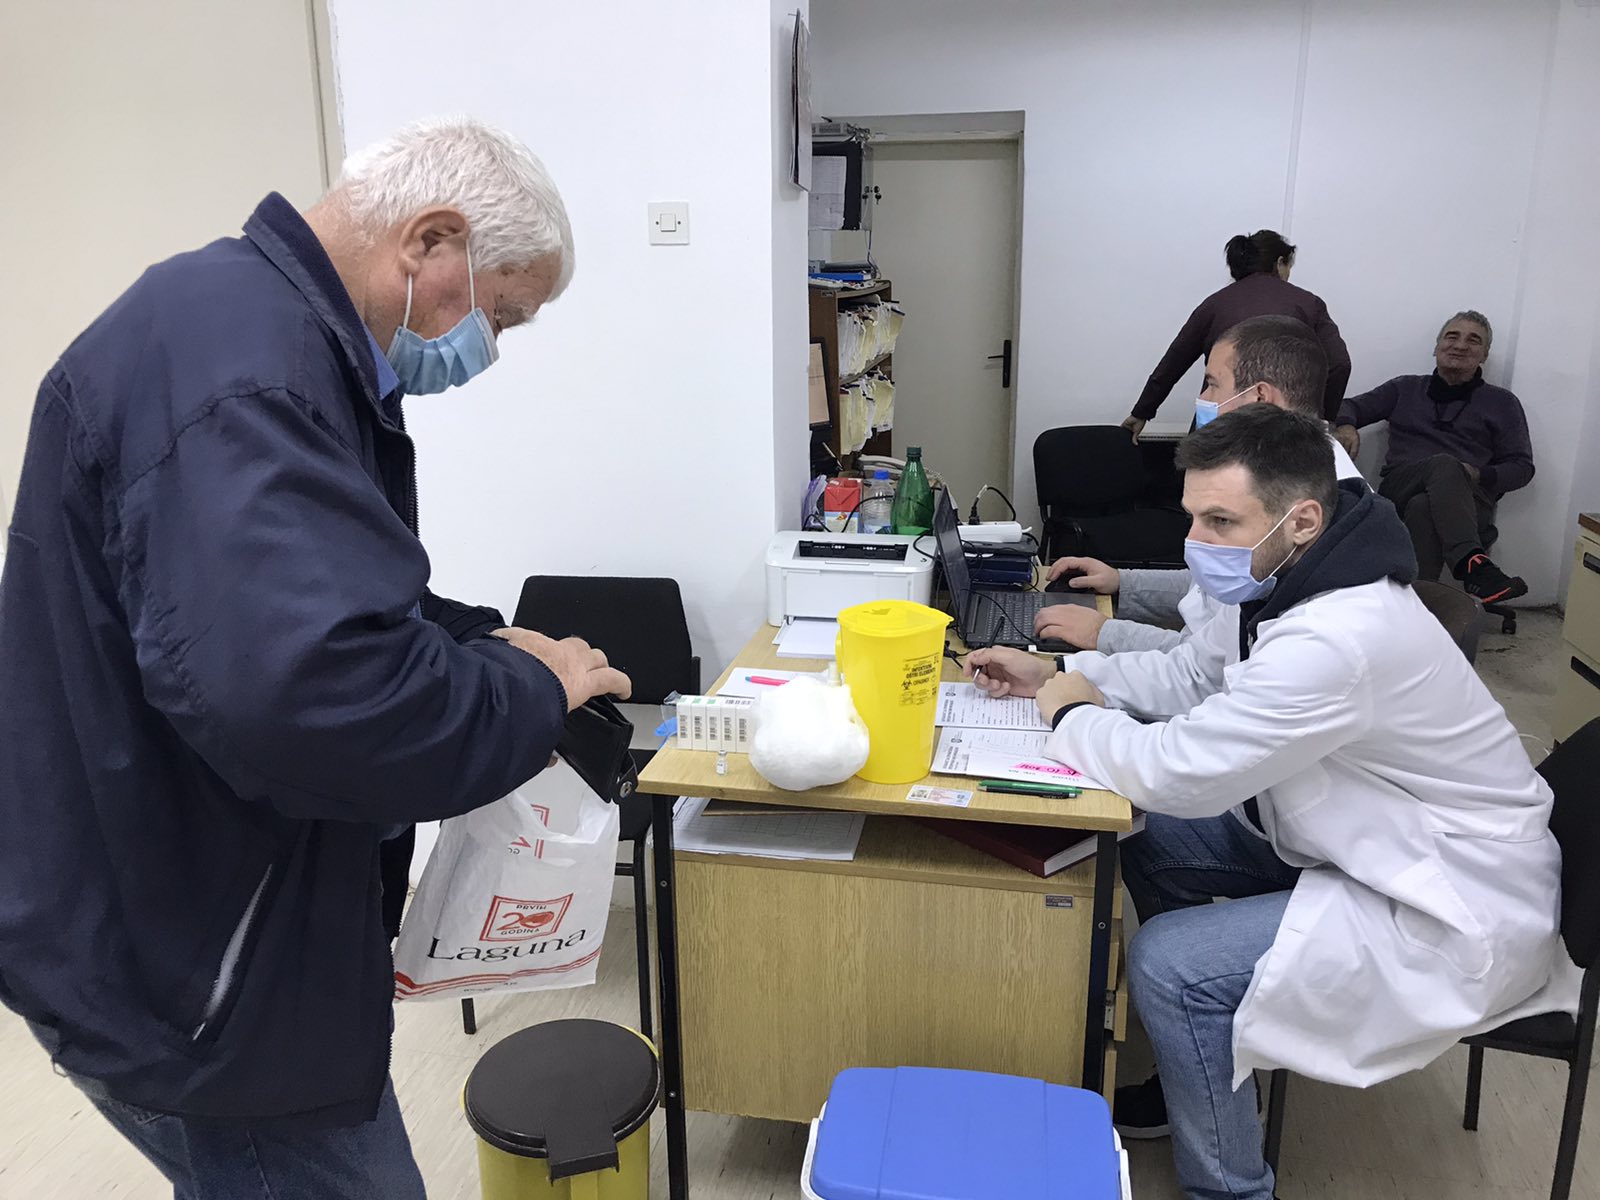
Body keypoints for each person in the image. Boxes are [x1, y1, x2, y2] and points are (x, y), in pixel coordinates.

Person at [0, 118, 633, 1199]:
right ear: (430, 241)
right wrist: (532, 690)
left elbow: (325, 603)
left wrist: (479, 640)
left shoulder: (246, 331)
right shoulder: (248, 381)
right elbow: (328, 704)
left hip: (185, 914)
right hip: (197, 968)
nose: (488, 349)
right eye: (500, 315)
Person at [966, 405, 1572, 1200]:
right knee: (1150, 834)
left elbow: (1180, 771)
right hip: (1369, 839)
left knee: (1171, 965)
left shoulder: (1339, 634)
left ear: (1303, 519)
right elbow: (1196, 682)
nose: (1198, 543)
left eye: (1221, 522)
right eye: (1193, 518)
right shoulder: (1300, 577)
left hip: (1448, 899)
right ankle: (1206, 1060)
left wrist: (1071, 717)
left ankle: (1233, 1184)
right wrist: (1061, 674)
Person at [1037, 314, 1362, 652]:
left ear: (1260, 398)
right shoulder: (1292, 465)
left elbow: (1207, 663)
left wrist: (1102, 634)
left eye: (1212, 383)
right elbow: (1210, 591)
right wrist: (1123, 582)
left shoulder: (1304, 499)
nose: (1204, 398)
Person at [1335, 310, 1533, 604]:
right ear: (1437, 346)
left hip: (1469, 500)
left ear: (1484, 355)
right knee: (1443, 464)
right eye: (1452, 336)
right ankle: (1472, 565)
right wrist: (1346, 425)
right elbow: (1349, 406)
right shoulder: (1405, 388)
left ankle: (1414, 604)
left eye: (1473, 340)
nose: (1460, 345)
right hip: (1401, 485)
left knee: (1424, 506)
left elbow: (1522, 468)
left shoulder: (1502, 403)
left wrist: (1479, 474)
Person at [1122, 229, 1351, 436]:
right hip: (1284, 426)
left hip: (1217, 422)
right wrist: (1323, 418)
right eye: (1289, 266)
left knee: (1204, 468)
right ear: (1280, 262)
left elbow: (1173, 362)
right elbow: (1340, 364)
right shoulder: (1309, 304)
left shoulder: (1215, 304)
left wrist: (1142, 411)